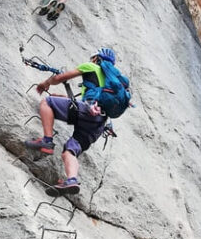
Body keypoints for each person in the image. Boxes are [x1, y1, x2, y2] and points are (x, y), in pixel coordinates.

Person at [24, 48, 125, 196]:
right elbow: (92, 101)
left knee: (47, 102)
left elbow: (60, 78)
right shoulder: (115, 83)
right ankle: (71, 180)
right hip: (98, 122)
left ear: (97, 59)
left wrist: (46, 83)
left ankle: (47, 140)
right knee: (70, 150)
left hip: (86, 112)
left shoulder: (92, 67)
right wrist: (65, 98)